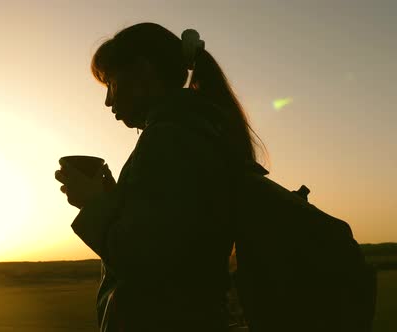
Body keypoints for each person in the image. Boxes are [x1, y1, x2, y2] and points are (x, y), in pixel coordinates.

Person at [54, 22, 266, 332]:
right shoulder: (193, 131)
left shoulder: (171, 139)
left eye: (111, 83)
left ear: (142, 72)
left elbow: (146, 261)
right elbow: (173, 235)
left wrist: (93, 203)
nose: (108, 101)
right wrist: (115, 199)